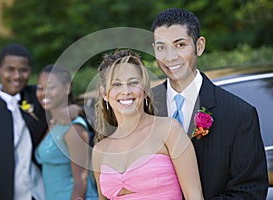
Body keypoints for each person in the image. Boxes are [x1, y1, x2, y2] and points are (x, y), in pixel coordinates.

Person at [150, 8, 269, 199]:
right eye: (161, 47)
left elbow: (249, 192)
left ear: (199, 46)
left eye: (180, 45)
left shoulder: (239, 115)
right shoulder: (144, 107)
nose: (170, 57)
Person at [92, 49, 204, 200]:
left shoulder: (168, 130)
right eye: (116, 84)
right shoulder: (100, 150)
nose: (125, 91)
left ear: (144, 89)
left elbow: (194, 196)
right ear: (105, 94)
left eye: (133, 83)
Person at [0, 43, 80, 200]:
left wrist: (73, 108)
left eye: (23, 70)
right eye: (10, 69)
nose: (17, 76)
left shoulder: (39, 97)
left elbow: (81, 100)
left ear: (30, 71)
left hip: (40, 194)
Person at [35, 64, 98, 200]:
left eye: (51, 87)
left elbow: (81, 181)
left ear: (67, 88)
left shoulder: (74, 128)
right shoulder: (51, 123)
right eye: (40, 87)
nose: (44, 93)